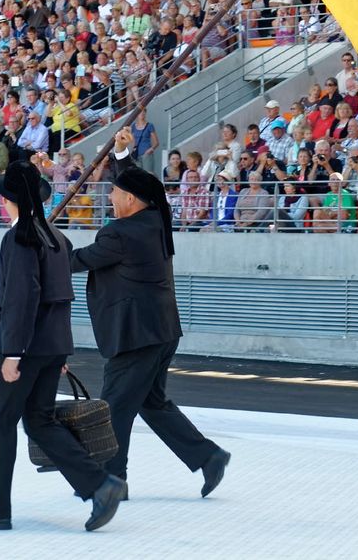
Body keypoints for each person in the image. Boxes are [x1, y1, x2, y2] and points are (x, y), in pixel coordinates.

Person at [0, 158, 126, 532]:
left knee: (0, 423)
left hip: (23, 347)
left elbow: (21, 299)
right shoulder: (57, 238)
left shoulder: (19, 238)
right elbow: (60, 296)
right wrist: (58, 353)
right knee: (40, 421)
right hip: (51, 346)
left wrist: (12, 354)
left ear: (8, 200)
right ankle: (99, 485)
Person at [69, 128, 231, 497]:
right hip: (161, 331)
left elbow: (77, 260)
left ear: (130, 199)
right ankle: (208, 457)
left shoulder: (120, 234)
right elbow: (151, 189)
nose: (110, 196)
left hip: (136, 336)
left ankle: (111, 481)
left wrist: (43, 250)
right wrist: (123, 156)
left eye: (114, 191)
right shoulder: (157, 218)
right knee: (151, 402)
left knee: (114, 407)